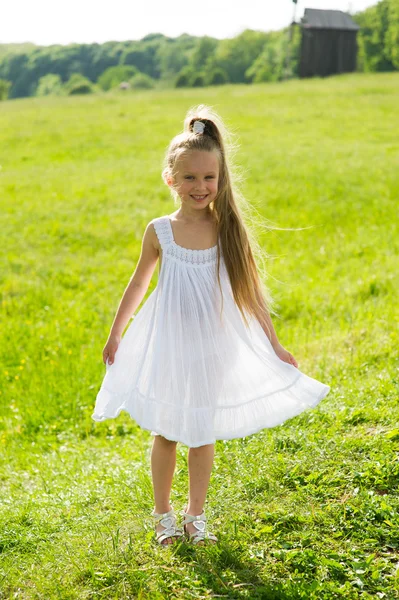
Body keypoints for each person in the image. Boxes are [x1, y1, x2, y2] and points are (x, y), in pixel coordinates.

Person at [91, 104, 331, 547]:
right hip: (169, 343)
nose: (199, 187)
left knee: (201, 431)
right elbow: (139, 284)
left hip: (212, 345)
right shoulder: (159, 231)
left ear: (219, 180)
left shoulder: (227, 230)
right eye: (189, 178)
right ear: (170, 179)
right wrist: (116, 332)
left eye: (208, 178)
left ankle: (194, 516)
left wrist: (275, 345)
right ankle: (163, 514)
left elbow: (250, 293)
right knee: (166, 430)